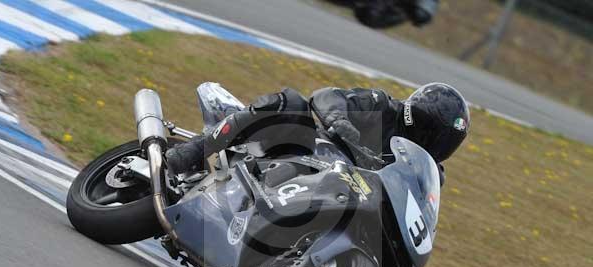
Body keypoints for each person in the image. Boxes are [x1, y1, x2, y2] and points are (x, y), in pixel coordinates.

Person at [166, 83, 470, 185]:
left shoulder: (426, 173)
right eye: (434, 133)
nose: (436, 145)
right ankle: (190, 153)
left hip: (342, 192)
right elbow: (327, 96)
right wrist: (339, 119)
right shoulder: (382, 107)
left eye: (446, 142)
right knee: (290, 101)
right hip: (309, 150)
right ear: (416, 119)